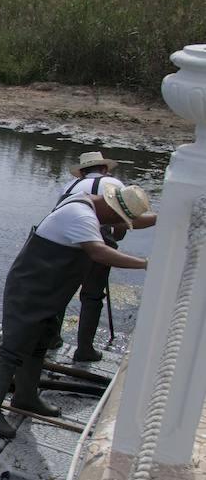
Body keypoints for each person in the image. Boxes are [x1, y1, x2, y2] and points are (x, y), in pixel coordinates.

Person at [0, 185, 153, 438]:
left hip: (52, 291)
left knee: (38, 346)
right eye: (119, 221)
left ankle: (25, 397)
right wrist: (145, 264)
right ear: (112, 209)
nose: (117, 227)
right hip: (30, 289)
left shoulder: (88, 203)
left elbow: (129, 223)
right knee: (12, 351)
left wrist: (164, 217)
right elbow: (98, 252)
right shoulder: (81, 216)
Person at [54, 151, 157, 361]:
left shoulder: (69, 186)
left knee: (61, 293)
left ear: (82, 172)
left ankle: (52, 339)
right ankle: (84, 350)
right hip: (98, 244)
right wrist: (117, 237)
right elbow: (122, 221)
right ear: (104, 169)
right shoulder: (114, 185)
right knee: (92, 297)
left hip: (66, 245)